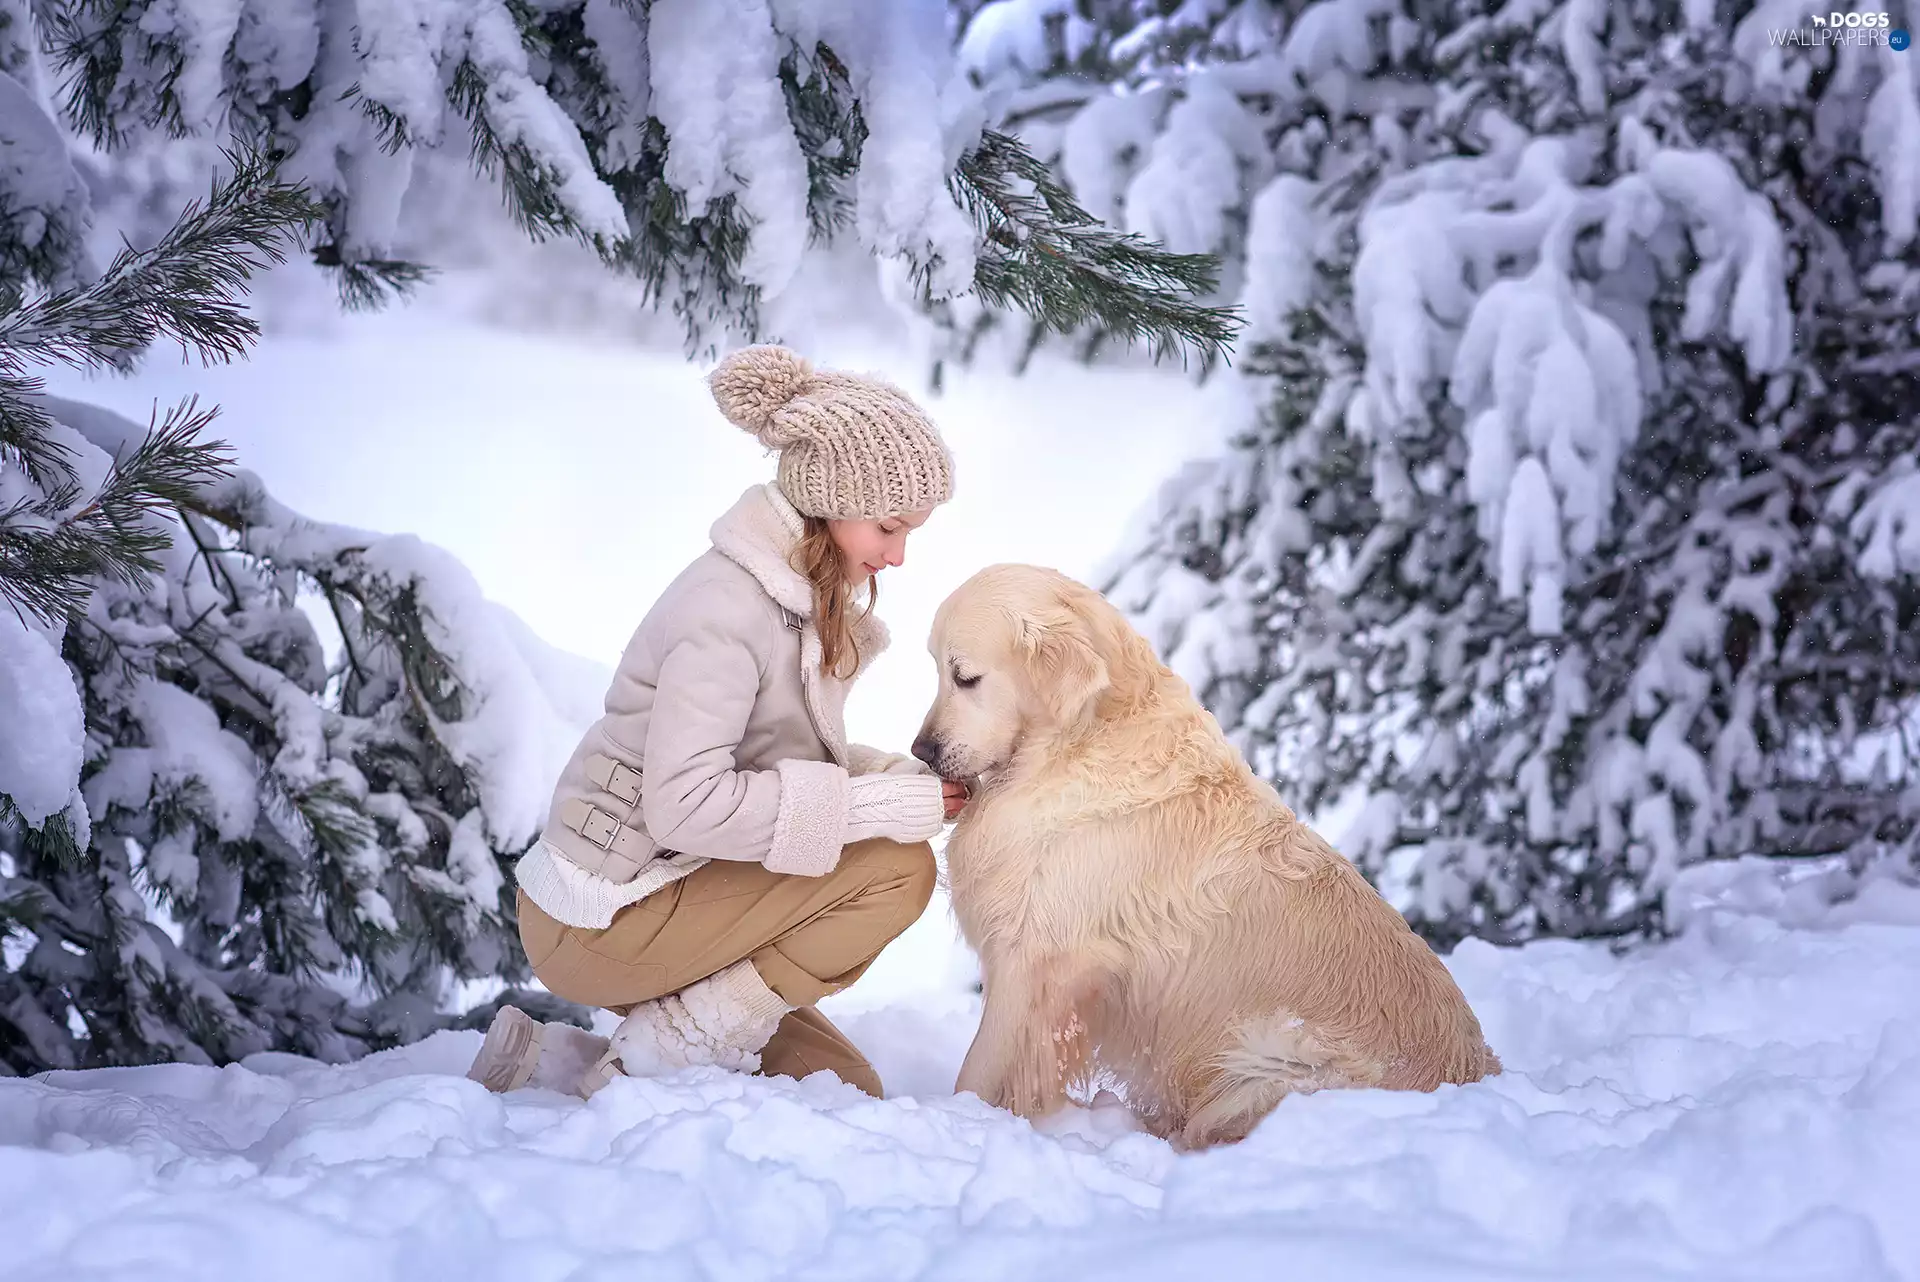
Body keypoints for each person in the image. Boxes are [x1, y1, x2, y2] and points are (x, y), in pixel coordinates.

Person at [465, 344, 967, 1100]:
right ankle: (678, 1042)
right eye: (888, 528)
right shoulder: (726, 611)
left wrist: (881, 777)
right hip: (602, 913)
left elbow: (764, 760)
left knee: (841, 1087)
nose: (898, 556)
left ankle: (558, 1066)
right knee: (898, 867)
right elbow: (687, 802)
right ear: (831, 503)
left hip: (675, 887)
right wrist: (867, 810)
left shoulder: (798, 598)